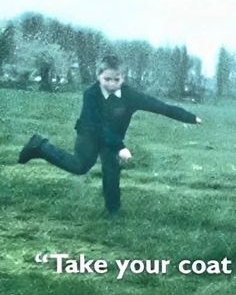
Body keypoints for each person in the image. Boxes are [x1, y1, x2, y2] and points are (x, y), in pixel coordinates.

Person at [17, 53, 202, 216]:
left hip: (112, 139)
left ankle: (113, 211)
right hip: (89, 135)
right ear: (98, 76)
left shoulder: (130, 95)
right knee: (80, 167)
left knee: (112, 169)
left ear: (123, 78)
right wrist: (120, 147)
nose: (112, 84)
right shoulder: (91, 95)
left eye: (116, 79)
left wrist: (190, 117)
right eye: (107, 79)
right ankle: (40, 146)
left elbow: (161, 107)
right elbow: (98, 126)